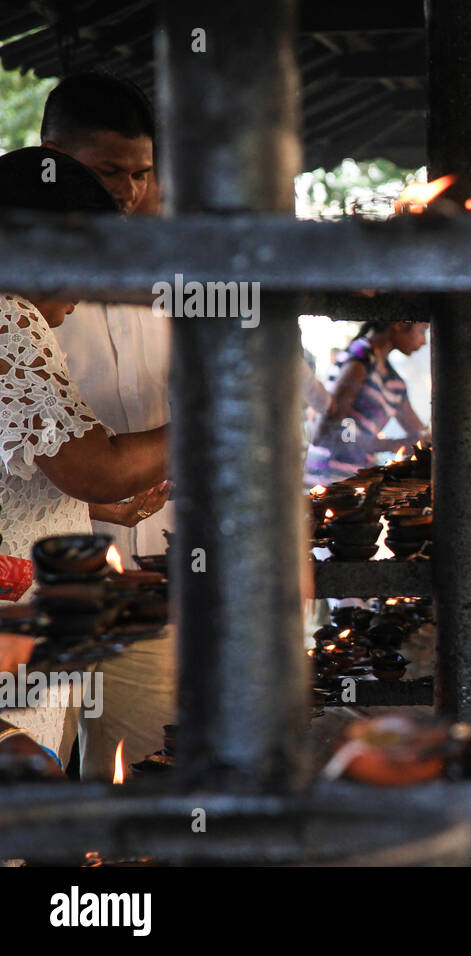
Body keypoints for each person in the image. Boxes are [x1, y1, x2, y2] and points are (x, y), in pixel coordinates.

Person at [0, 147, 170, 766]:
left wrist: (90, 503)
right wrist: (215, 423)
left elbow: (24, 464)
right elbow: (95, 464)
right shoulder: (10, 317)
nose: (82, 296)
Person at [43, 72, 176, 781]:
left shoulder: (183, 274)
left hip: (152, 577)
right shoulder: (18, 289)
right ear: (51, 158)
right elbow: (82, 462)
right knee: (27, 781)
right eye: (106, 172)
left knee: (141, 781)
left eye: (141, 173)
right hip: (32, 590)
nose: (126, 191)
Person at [306, 320, 431, 487]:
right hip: (328, 482)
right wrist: (392, 444)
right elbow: (324, 434)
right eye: (422, 330)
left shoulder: (393, 382)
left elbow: (419, 433)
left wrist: (427, 437)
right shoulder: (360, 359)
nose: (424, 341)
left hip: (356, 480)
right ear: (399, 323)